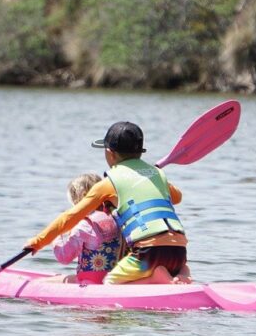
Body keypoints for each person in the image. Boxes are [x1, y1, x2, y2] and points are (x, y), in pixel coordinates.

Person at [25, 121, 191, 284]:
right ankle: (182, 273)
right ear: (141, 152)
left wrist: (38, 242)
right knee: (173, 263)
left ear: (109, 153)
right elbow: (177, 197)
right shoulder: (157, 174)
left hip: (148, 253)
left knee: (110, 283)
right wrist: (148, 177)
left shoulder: (108, 183)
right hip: (179, 252)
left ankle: (153, 280)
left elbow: (71, 217)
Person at [49, 173, 122, 284]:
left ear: (83, 197)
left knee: (43, 282)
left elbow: (64, 257)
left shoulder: (84, 225)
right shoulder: (117, 217)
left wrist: (55, 235)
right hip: (117, 279)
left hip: (90, 281)